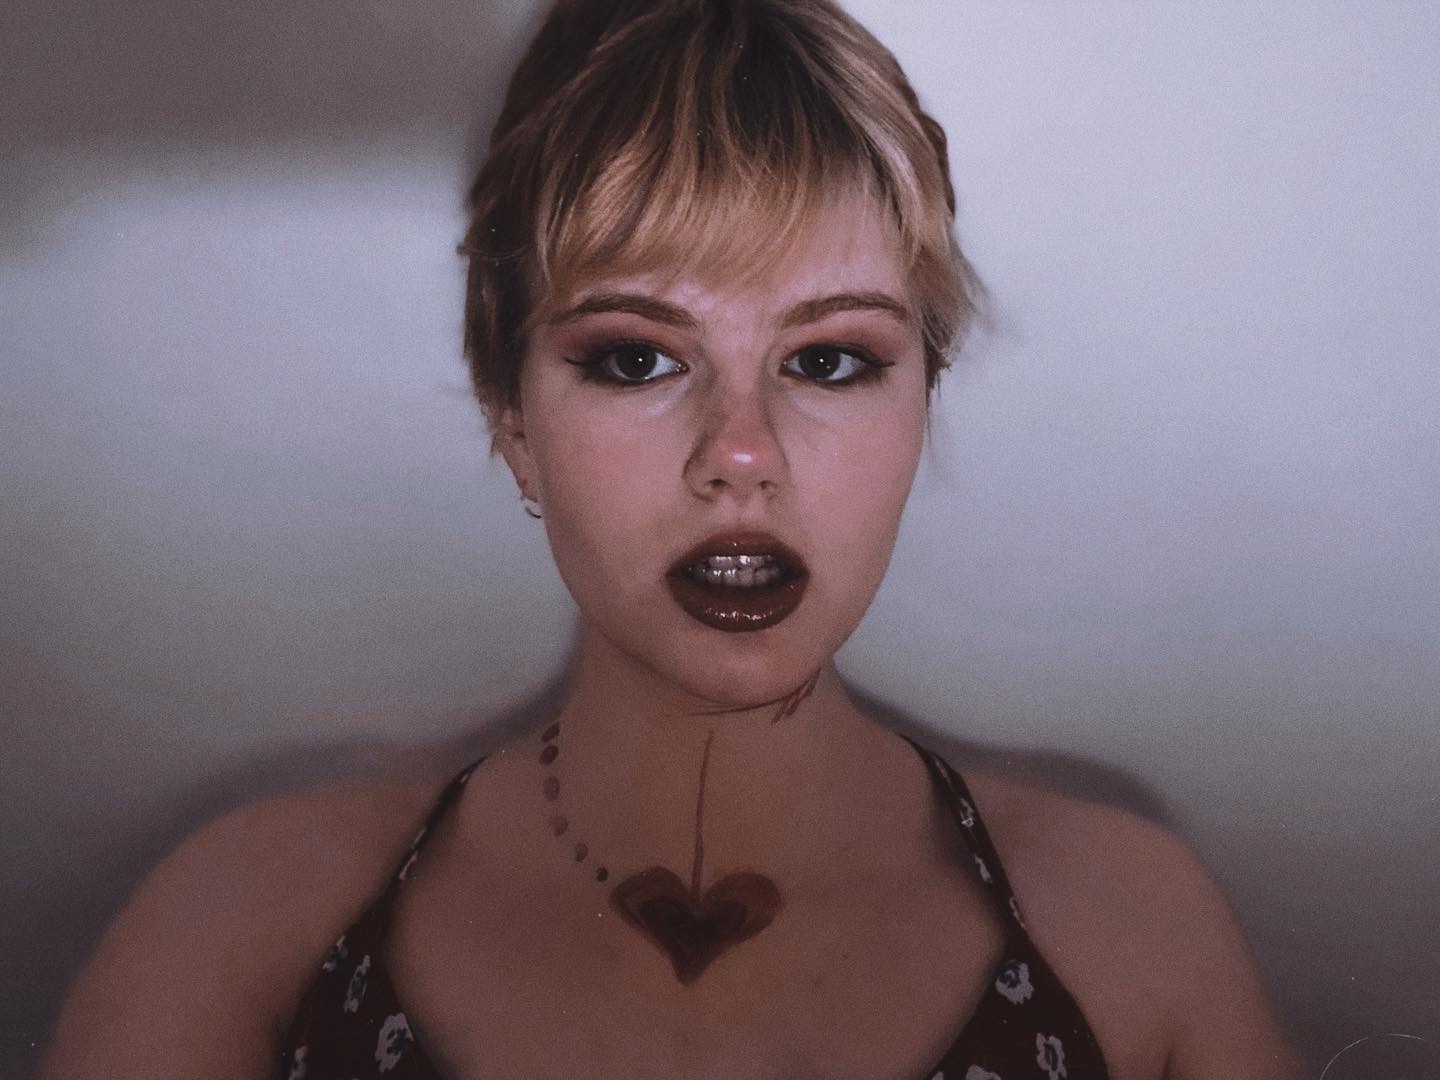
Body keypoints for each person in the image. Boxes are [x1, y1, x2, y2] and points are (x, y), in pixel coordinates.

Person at [44, 1, 1301, 1077]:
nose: (741, 453)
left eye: (829, 360)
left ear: (925, 397)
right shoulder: (246, 924)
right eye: (636, 359)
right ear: (510, 417)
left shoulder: (1131, 930)